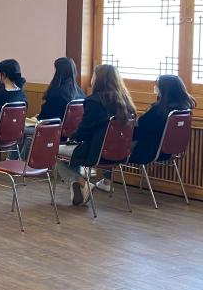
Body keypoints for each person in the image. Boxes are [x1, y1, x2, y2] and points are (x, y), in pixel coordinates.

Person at [57, 64, 135, 205]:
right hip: (120, 152)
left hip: (96, 152)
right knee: (70, 154)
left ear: (99, 79)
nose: (92, 78)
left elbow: (84, 132)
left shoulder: (94, 101)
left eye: (93, 75)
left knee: (55, 152)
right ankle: (79, 188)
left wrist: (71, 137)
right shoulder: (126, 101)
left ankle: (82, 183)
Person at [129, 74, 196, 165]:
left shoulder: (159, 110)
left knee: (112, 142)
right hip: (167, 152)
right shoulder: (184, 109)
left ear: (164, 89)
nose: (155, 88)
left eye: (157, 86)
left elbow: (139, 127)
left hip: (146, 151)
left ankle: (109, 173)